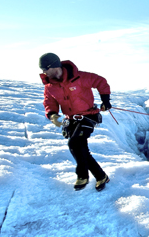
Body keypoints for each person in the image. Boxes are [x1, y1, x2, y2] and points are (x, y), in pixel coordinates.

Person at [39, 52, 112, 191]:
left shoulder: (80, 77)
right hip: (71, 119)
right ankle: (101, 176)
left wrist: (105, 100)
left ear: (52, 66)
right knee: (80, 149)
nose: (43, 72)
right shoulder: (50, 86)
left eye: (44, 69)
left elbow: (100, 82)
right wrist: (52, 114)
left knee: (74, 143)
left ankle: (82, 176)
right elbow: (49, 102)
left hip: (88, 115)